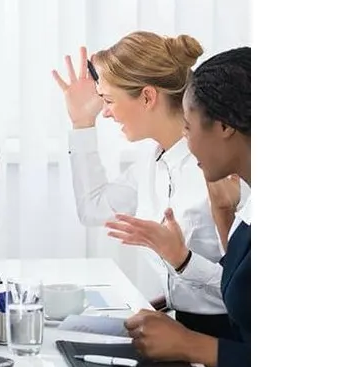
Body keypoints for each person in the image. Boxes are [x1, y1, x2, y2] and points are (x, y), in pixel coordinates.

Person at [52, 31, 241, 338]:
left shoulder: (219, 168)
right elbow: (93, 208)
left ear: (148, 97)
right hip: (182, 327)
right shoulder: (152, 160)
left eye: (109, 100)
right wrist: (82, 124)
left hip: (228, 342)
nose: (106, 112)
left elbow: (244, 293)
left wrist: (183, 260)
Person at [121, 46, 251, 367]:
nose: (186, 145)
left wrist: (188, 343)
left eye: (189, 129)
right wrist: (224, 212)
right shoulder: (244, 208)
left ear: (224, 126)